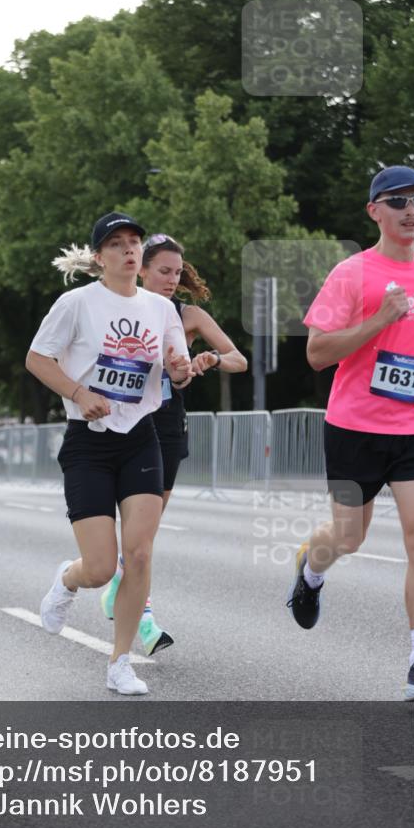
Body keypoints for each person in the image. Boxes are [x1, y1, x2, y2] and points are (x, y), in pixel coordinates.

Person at [27, 212, 218, 695]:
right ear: (99, 257)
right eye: (117, 244)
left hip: (141, 438)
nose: (129, 250)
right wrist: (77, 392)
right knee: (98, 568)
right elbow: (36, 358)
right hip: (88, 442)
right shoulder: (76, 304)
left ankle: (120, 662)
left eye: (134, 242)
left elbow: (175, 372)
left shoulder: (160, 310)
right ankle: (66, 581)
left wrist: (181, 369)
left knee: (138, 554)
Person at [287, 166, 414, 702]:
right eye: (398, 201)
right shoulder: (352, 274)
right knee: (349, 537)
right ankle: (311, 570)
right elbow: (317, 354)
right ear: (374, 210)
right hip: (353, 428)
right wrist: (379, 319)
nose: (411, 210)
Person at [101, 234, 248, 653]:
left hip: (165, 425)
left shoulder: (189, 315)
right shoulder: (115, 308)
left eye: (178, 272)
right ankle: (140, 616)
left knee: (144, 534)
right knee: (132, 533)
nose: (171, 279)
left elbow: (239, 358)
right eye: (163, 271)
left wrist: (212, 359)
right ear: (141, 269)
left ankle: (121, 590)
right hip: (120, 422)